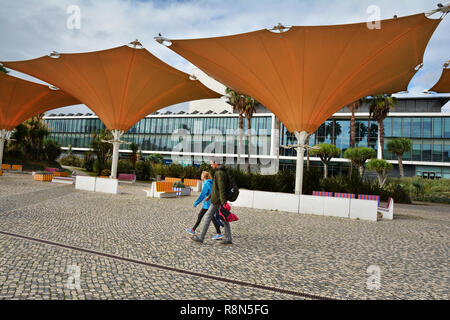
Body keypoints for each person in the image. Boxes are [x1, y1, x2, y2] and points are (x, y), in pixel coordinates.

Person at [192, 158, 233, 245]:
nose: (211, 165)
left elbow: (221, 188)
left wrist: (223, 202)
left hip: (217, 201)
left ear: (215, 163)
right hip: (218, 199)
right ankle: (228, 238)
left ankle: (201, 237)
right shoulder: (222, 172)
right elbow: (216, 188)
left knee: (207, 217)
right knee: (224, 219)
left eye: (211, 164)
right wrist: (209, 196)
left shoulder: (219, 173)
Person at [186, 171, 223, 240]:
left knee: (203, 216)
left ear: (203, 177)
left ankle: (193, 230)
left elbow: (202, 195)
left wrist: (196, 203)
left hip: (207, 204)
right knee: (210, 217)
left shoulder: (206, 183)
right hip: (212, 203)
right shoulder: (211, 182)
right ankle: (219, 233)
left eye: (201, 175)